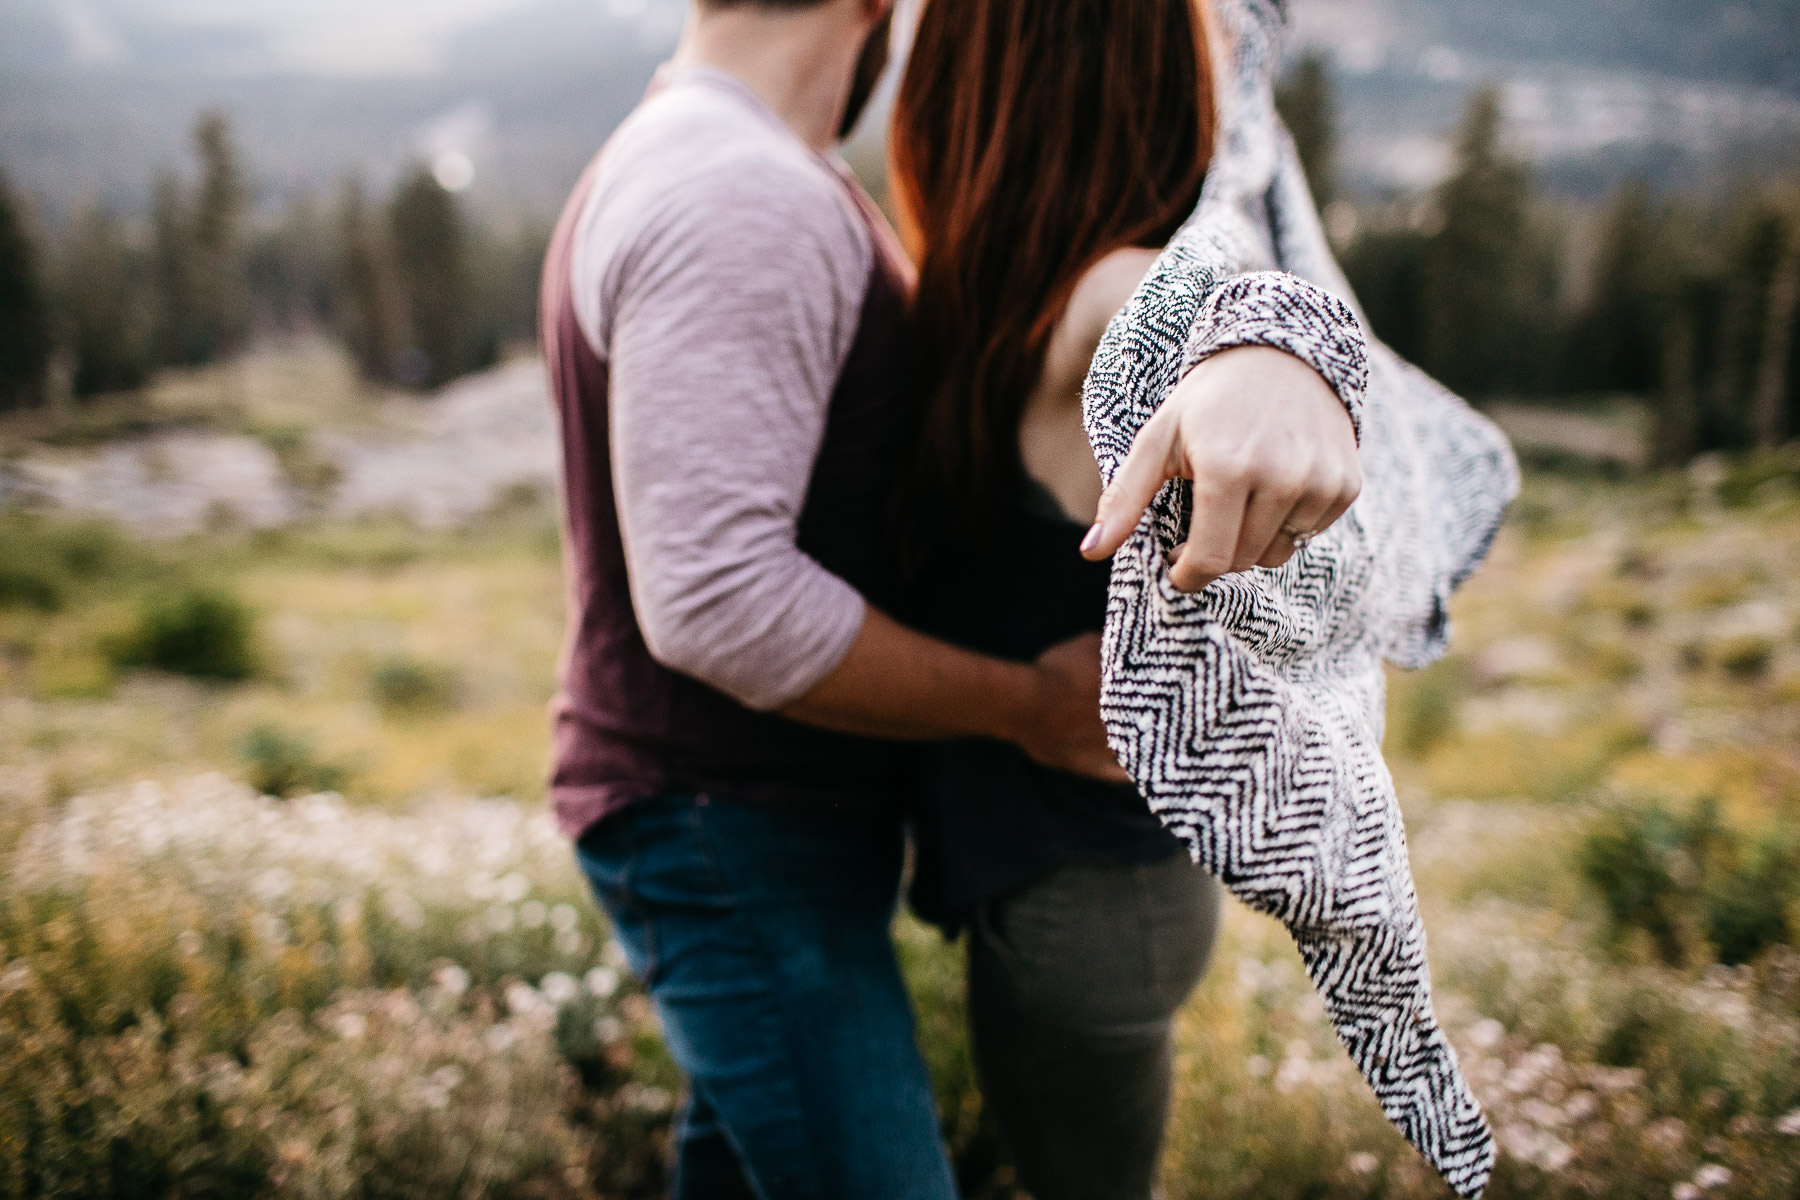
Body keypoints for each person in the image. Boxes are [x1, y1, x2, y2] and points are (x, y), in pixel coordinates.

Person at [539, 0, 1359, 1195]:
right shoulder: (741, 194)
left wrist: (1270, 345)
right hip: (730, 819)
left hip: (746, 813)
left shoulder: (710, 160)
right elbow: (716, 602)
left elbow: (1192, 298)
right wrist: (1029, 703)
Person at [888, 1, 1362, 1197]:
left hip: (1096, 905)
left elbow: (1203, 303)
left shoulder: (1115, 280)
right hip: (1063, 880)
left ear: (977, 87)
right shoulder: (1016, 292)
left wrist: (1270, 354)